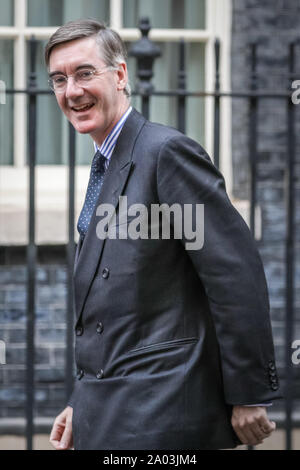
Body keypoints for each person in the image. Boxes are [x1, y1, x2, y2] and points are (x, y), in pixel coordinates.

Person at [46, 19, 281, 450]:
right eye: (59, 79)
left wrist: (248, 394)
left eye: (84, 73)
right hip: (115, 413)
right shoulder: (107, 162)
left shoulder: (165, 153)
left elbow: (233, 273)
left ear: (119, 75)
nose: (71, 91)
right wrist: (86, 402)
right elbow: (118, 312)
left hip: (165, 419)